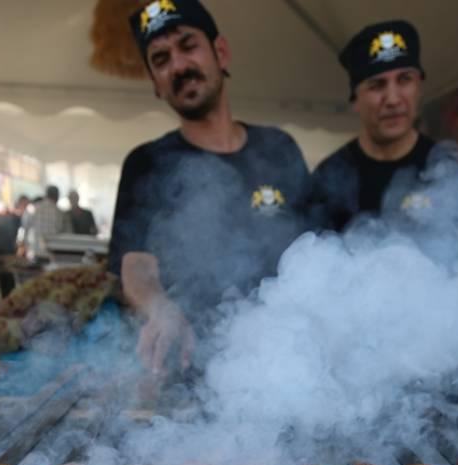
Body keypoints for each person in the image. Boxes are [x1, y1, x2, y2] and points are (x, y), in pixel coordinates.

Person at [108, 0, 310, 375]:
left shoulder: (279, 149)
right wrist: (160, 308)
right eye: (161, 59)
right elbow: (135, 267)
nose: (179, 66)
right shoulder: (146, 163)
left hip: (288, 369)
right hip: (192, 370)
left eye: (188, 45)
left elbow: (319, 256)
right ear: (155, 83)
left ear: (221, 52)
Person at [310, 21, 458, 233]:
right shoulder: (328, 177)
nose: (393, 99)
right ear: (355, 99)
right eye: (377, 85)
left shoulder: (447, 170)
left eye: (405, 80)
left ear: (419, 87)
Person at [25, 185, 69, 261]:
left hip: (35, 252)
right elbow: (66, 233)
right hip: (54, 255)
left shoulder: (33, 208)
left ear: (46, 195)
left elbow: (25, 227)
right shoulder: (60, 213)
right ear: (57, 196)